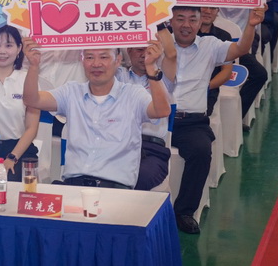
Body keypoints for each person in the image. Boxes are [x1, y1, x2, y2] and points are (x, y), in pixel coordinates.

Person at [22, 41, 171, 190]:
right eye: (89, 57)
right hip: (73, 188)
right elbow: (32, 99)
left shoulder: (133, 94)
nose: (96, 64)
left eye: (104, 57)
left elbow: (162, 111)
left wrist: (152, 67)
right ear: (82, 60)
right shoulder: (71, 92)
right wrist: (33, 66)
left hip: (116, 191)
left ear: (118, 60)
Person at [169, 4, 265, 234]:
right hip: (157, 118)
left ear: (200, 22)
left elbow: (241, 48)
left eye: (192, 19)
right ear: (170, 21)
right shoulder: (160, 45)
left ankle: (184, 211)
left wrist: (250, 26)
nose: (186, 25)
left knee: (201, 151)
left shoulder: (210, 45)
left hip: (191, 121)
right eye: (180, 18)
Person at [116, 31, 177, 191]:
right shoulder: (118, 76)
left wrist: (160, 23)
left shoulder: (163, 78)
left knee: (139, 177)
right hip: (119, 145)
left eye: (150, 50)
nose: (145, 55)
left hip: (152, 150)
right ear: (129, 51)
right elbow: (101, 59)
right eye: (139, 50)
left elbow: (172, 55)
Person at [0, 25, 39, 181]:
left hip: (18, 150)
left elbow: (32, 128)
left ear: (19, 48)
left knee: (16, 187)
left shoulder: (27, 78)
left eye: (9, 45)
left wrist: (12, 157)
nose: (2, 51)